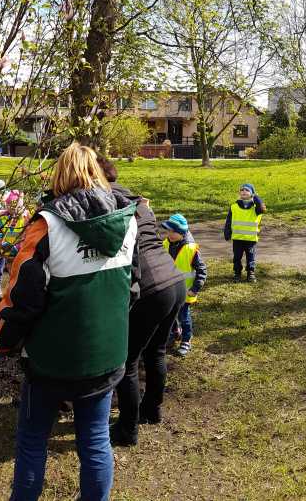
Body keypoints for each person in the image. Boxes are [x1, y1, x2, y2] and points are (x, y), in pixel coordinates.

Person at [0, 143, 138, 501]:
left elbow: (21, 299)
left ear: (60, 175)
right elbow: (135, 288)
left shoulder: (45, 226)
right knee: (95, 440)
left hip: (51, 363)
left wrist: (3, 342)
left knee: (31, 440)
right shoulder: (128, 220)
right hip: (106, 356)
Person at [95, 157, 186, 449]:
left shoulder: (109, 204)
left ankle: (127, 429)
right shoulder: (138, 201)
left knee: (127, 360)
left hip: (149, 288)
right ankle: (152, 410)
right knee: (156, 351)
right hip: (174, 281)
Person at [162, 214, 206, 356]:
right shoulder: (165, 243)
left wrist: (195, 288)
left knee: (184, 317)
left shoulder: (191, 249)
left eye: (173, 232)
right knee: (169, 315)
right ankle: (174, 333)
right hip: (169, 290)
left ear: (182, 232)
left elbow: (202, 271)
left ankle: (186, 339)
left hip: (185, 292)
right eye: (168, 231)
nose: (169, 234)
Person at [0, 190, 30, 298]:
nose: (15, 210)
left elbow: (26, 233)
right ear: (7, 205)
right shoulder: (0, 216)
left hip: (11, 248)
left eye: (18, 208)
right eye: (11, 207)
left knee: (4, 269)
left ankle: (0, 287)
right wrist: (5, 247)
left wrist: (18, 248)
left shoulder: (25, 216)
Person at [224, 183, 266, 282]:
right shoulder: (234, 206)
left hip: (250, 239)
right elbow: (229, 220)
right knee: (237, 257)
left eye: (247, 190)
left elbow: (261, 207)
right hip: (237, 238)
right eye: (242, 190)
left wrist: (255, 196)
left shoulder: (256, 208)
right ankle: (237, 273)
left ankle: (250, 273)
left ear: (252, 194)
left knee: (250, 257)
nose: (244, 191)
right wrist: (227, 231)